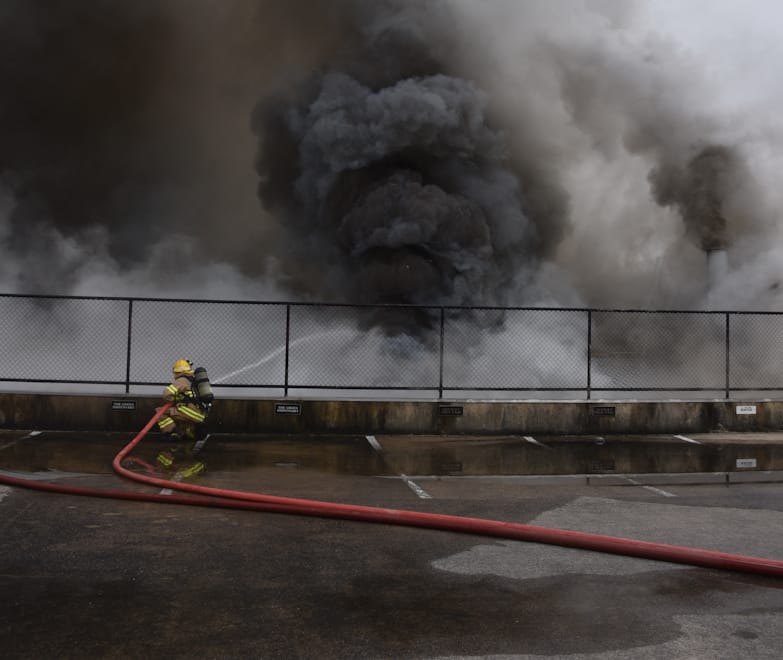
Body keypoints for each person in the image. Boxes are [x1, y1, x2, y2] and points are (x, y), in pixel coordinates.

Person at [156, 358, 209, 477]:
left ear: (177, 372)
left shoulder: (182, 380)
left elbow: (166, 394)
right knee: (180, 417)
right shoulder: (194, 381)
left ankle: (171, 433)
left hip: (191, 412)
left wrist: (173, 399)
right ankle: (191, 433)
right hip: (200, 414)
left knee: (160, 411)